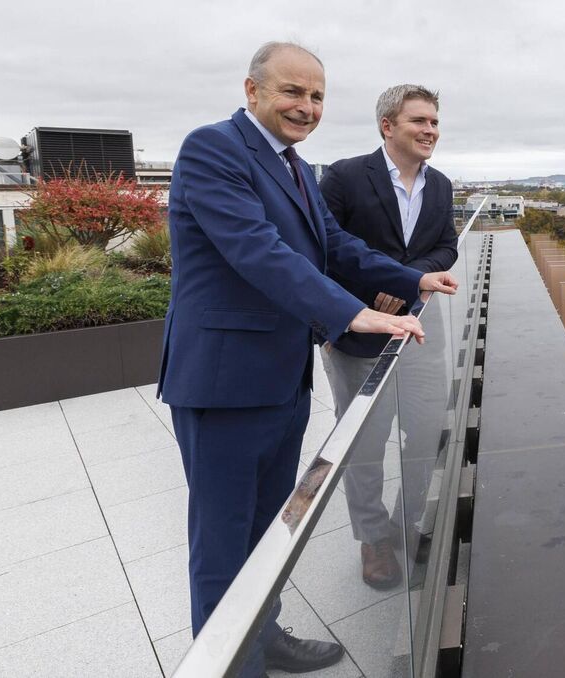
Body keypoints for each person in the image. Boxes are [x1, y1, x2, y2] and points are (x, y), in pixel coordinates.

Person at [157, 41, 458, 676]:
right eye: (293, 92)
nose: (307, 106)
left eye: (317, 95)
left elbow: (335, 243)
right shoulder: (212, 149)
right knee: (223, 541)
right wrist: (353, 312)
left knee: (270, 532)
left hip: (280, 379)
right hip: (222, 383)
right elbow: (260, 251)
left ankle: (264, 633)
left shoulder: (293, 165)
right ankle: (232, 664)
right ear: (252, 91)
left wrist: (411, 281)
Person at [318, 85, 456, 590]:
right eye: (419, 121)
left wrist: (407, 280)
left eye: (435, 122)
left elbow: (446, 248)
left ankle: (408, 520)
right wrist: (390, 284)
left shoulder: (440, 186)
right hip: (358, 336)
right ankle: (373, 539)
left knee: (425, 432)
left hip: (419, 335)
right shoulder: (345, 176)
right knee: (366, 444)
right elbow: (327, 249)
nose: (430, 131)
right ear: (387, 126)